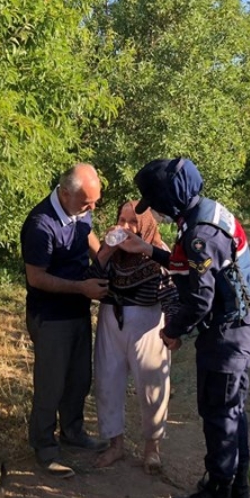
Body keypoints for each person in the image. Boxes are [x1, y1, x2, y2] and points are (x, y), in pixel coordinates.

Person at [122, 157, 250, 498]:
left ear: (170, 200)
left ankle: (218, 495)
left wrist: (171, 331)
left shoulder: (200, 234)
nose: (152, 210)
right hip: (242, 320)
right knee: (232, 407)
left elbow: (200, 298)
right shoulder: (206, 211)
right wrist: (151, 251)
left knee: (219, 410)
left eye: (154, 203)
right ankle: (238, 488)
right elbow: (189, 267)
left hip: (230, 330)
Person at [20, 163, 109, 478]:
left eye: (94, 201)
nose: (92, 207)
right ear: (66, 193)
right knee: (51, 384)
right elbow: (37, 278)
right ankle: (44, 447)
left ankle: (73, 432)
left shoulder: (79, 208)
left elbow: (87, 234)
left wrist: (105, 257)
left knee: (78, 377)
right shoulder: (41, 225)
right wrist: (81, 288)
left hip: (77, 310)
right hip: (51, 316)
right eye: (87, 202)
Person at [89, 200, 179, 474]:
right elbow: (92, 278)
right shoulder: (111, 254)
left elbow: (172, 294)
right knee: (107, 382)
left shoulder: (158, 252)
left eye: (133, 223)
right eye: (122, 221)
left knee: (152, 387)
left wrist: (173, 330)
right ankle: (115, 444)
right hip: (112, 318)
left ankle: (152, 448)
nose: (126, 228)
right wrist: (106, 251)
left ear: (146, 226)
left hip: (147, 323)